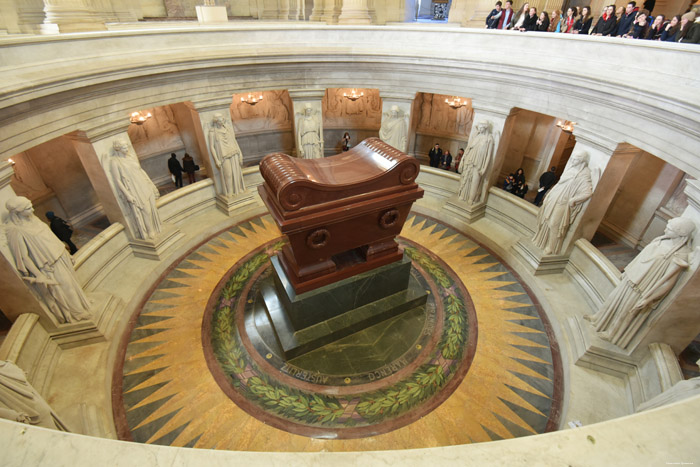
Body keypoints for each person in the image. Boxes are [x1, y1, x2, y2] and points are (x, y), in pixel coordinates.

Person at [585, 217, 696, 349]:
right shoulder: (661, 240)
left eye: (670, 228)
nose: (666, 229)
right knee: (613, 299)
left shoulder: (680, 254)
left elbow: (668, 281)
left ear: (681, 233)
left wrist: (650, 297)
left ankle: (612, 333)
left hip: (643, 288)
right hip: (632, 278)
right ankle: (599, 319)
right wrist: (628, 271)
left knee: (626, 311)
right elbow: (641, 257)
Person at [4, 196, 92, 325]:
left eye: (31, 205)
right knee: (66, 287)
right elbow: (23, 257)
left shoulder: (35, 220)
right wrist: (38, 274)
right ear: (17, 212)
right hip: (49, 265)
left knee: (72, 283)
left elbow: (51, 238)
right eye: (28, 208)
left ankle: (82, 304)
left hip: (59, 257)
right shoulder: (16, 231)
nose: (32, 209)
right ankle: (77, 313)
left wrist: (66, 254)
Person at [532, 152, 593, 255]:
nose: (573, 161)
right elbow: (559, 184)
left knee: (554, 224)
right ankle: (542, 240)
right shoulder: (570, 169)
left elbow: (587, 192)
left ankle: (551, 247)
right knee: (545, 219)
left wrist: (573, 200)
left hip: (563, 202)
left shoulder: (584, 175)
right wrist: (549, 195)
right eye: (572, 158)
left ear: (582, 161)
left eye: (576, 160)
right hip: (554, 197)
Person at [107, 139, 161, 240]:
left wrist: (151, 183)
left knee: (152, 208)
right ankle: (150, 231)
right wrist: (128, 195)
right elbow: (118, 180)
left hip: (143, 183)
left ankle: (153, 228)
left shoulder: (131, 157)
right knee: (146, 210)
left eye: (127, 146)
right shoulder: (115, 162)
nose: (126, 149)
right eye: (124, 147)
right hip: (134, 188)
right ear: (118, 149)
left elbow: (141, 171)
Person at [0, 360, 69, 430]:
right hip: (22, 416)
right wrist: (12, 415)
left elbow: (19, 376)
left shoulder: (5, 366)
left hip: (35, 407)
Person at [458, 121, 497, 205]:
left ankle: (471, 199)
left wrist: (484, 168)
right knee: (467, 178)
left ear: (485, 127)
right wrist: (463, 160)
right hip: (470, 160)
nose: (479, 129)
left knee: (475, 181)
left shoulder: (489, 139)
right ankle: (463, 195)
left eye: (481, 127)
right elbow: (468, 149)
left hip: (479, 164)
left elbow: (488, 156)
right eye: (479, 127)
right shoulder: (476, 136)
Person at [209, 113, 246, 196]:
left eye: (222, 120)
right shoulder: (212, 132)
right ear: (216, 121)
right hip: (224, 156)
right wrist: (216, 160)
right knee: (228, 174)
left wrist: (240, 154)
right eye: (219, 120)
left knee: (236, 172)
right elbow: (212, 147)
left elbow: (234, 141)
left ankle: (238, 189)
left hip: (234, 152)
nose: (221, 122)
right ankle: (230, 191)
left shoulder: (228, 128)